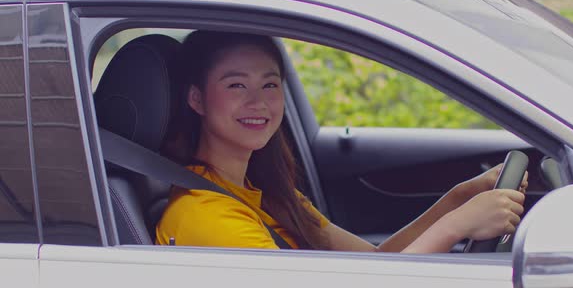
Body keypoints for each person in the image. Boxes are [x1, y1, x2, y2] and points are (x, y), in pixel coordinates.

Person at [155, 30, 528, 252]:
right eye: (237, 85)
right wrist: (456, 227)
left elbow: (374, 261)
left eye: (270, 84)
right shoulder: (206, 216)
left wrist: (456, 200)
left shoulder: (262, 193)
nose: (259, 101)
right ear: (196, 98)